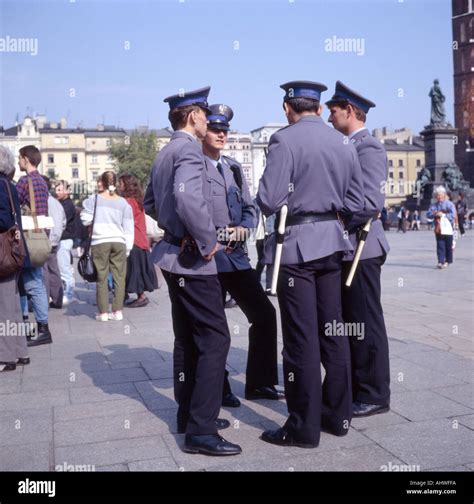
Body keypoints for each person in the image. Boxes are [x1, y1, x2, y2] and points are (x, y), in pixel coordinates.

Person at [257, 80, 364, 448]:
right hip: (333, 245)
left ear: (288, 108)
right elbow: (361, 203)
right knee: (333, 332)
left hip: (297, 248)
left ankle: (303, 427)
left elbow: (268, 200)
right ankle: (338, 415)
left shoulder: (284, 140)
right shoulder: (343, 142)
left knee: (301, 341)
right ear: (318, 108)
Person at [143, 87, 241, 456]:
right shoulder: (187, 149)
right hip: (192, 258)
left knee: (187, 338)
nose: (206, 117)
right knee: (215, 338)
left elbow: (151, 202)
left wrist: (172, 228)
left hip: (170, 254)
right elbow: (187, 198)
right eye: (203, 112)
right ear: (193, 115)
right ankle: (201, 429)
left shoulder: (165, 151)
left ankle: (189, 415)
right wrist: (204, 240)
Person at [202, 103, 282, 408]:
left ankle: (260, 383)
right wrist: (221, 235)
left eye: (225, 130)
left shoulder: (233, 167)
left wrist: (245, 228)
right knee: (215, 326)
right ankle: (218, 386)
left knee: (264, 314)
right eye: (215, 129)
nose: (222, 134)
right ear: (202, 131)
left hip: (236, 258)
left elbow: (250, 207)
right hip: (208, 258)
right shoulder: (194, 166)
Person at [326, 81, 391, 418]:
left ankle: (375, 394)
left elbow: (369, 201)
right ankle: (357, 386)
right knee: (352, 322)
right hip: (349, 248)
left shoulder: (368, 148)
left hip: (362, 248)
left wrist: (330, 218)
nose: (328, 117)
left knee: (366, 322)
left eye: (333, 110)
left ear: (349, 111)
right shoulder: (347, 145)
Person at [81, 171, 134, 321]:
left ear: (102, 183)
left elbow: (85, 219)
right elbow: (129, 226)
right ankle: (118, 311)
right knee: (119, 277)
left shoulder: (94, 199)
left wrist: (96, 220)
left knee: (102, 277)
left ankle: (103, 313)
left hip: (100, 241)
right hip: (119, 241)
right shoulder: (123, 202)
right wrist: (128, 247)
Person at [16, 145, 52, 347]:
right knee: (31, 281)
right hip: (39, 237)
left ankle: (41, 329)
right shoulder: (42, 181)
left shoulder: (24, 181)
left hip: (28, 238)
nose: (18, 162)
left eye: (20, 159)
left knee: (31, 283)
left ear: (26, 159)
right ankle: (33, 328)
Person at [0, 147, 30, 371]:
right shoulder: (9, 185)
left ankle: (6, 356)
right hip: (14, 250)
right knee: (12, 303)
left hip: (3, 253)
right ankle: (20, 351)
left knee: (4, 305)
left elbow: (3, 220)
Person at [118, 173, 157, 307]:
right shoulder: (137, 200)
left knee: (134, 269)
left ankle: (141, 296)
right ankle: (127, 295)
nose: (119, 185)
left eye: (121, 183)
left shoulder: (128, 202)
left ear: (127, 185)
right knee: (136, 268)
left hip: (133, 240)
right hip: (140, 239)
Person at [42, 176, 66, 309]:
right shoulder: (57, 203)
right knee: (54, 270)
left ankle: (43, 300)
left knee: (43, 271)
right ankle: (57, 299)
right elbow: (63, 222)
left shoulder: (42, 202)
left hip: (45, 240)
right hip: (55, 240)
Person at [55, 180, 76, 305]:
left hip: (64, 240)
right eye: (56, 189)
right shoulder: (61, 203)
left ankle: (69, 294)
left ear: (67, 191)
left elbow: (62, 223)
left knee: (65, 270)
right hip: (62, 239)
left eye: (60, 189)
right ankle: (65, 292)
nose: (57, 192)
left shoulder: (67, 205)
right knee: (62, 268)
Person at [426, 186, 457, 269]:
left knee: (448, 245)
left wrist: (443, 215)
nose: (439, 197)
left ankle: (447, 261)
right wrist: (434, 214)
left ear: (444, 195)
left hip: (448, 228)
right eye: (437, 195)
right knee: (440, 245)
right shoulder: (434, 205)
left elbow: (453, 215)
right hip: (439, 228)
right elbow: (428, 213)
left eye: (440, 195)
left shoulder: (449, 204)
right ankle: (440, 261)